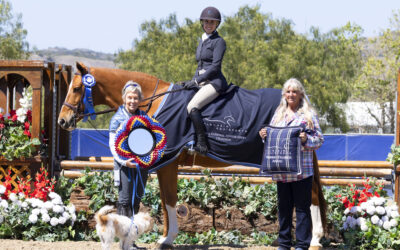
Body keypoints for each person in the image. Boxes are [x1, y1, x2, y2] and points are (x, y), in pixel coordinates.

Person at [259, 78, 324, 250]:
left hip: (302, 171)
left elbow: (319, 140)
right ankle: (284, 244)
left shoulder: (308, 116)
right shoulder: (278, 114)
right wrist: (264, 134)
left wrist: (306, 140)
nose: (291, 94)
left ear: (300, 94)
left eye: (294, 91)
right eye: (288, 91)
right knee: (284, 210)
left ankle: (302, 245)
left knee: (302, 210)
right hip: (281, 171)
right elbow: (273, 138)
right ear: (284, 95)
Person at [183, 6, 228, 154]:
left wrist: (197, 81)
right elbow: (200, 65)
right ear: (202, 23)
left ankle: (202, 144)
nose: (208, 24)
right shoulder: (202, 40)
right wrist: (191, 81)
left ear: (217, 24)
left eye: (212, 22)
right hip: (201, 80)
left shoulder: (219, 42)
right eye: (206, 21)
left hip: (214, 82)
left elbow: (215, 67)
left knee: (192, 107)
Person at [109, 81, 148, 218]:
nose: (132, 101)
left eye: (136, 98)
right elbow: (113, 146)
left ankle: (131, 234)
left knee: (136, 199)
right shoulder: (117, 119)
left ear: (140, 99)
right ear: (124, 98)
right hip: (124, 166)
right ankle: (124, 237)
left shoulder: (145, 117)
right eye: (130, 97)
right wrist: (125, 162)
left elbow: (151, 140)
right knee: (125, 200)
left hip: (141, 165)